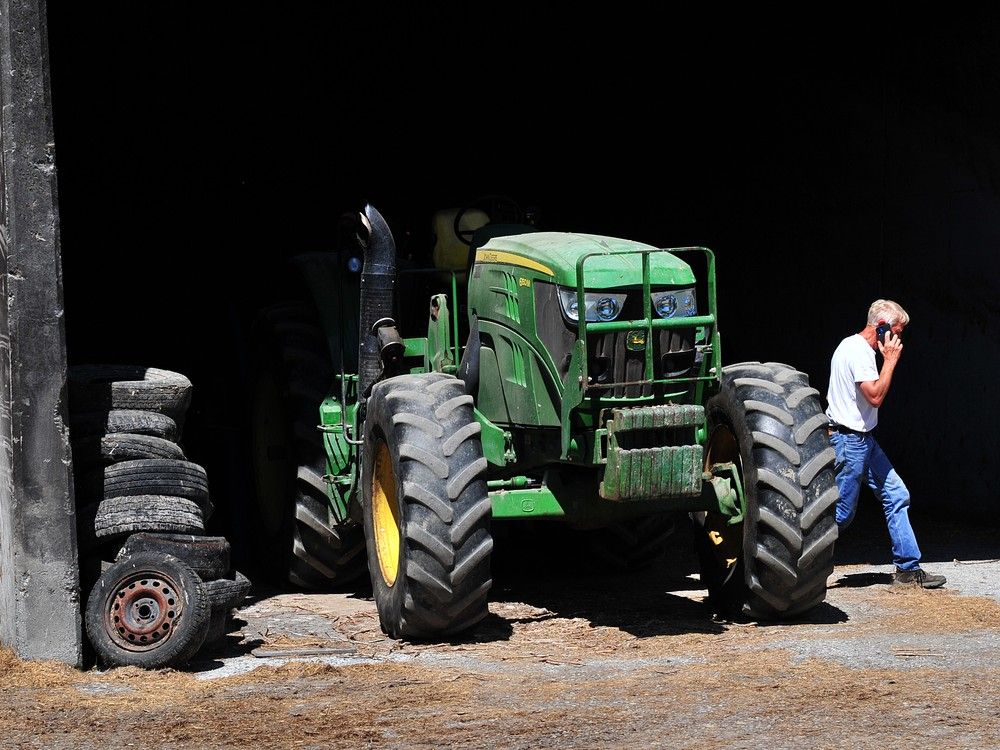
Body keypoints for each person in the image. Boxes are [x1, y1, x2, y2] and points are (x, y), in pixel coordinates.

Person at [825, 299, 946, 588]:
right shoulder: (860, 353)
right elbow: (875, 396)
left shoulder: (852, 346)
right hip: (849, 440)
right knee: (840, 514)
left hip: (863, 439)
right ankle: (801, 564)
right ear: (881, 328)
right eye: (897, 332)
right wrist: (890, 361)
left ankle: (907, 568)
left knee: (896, 493)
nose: (899, 339)